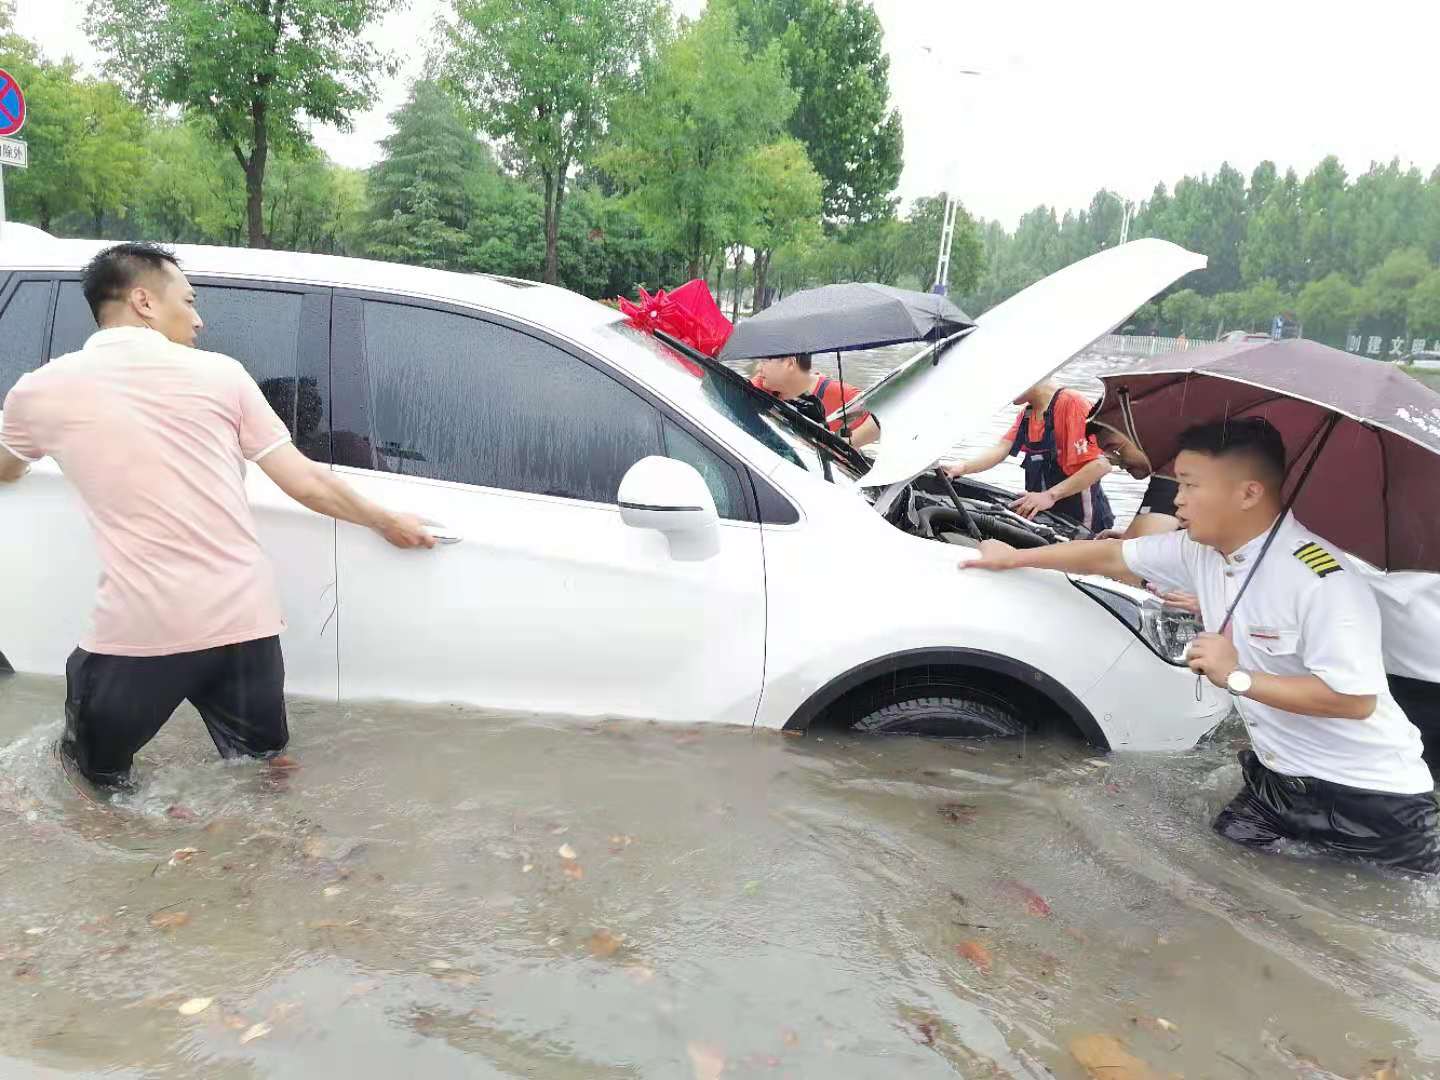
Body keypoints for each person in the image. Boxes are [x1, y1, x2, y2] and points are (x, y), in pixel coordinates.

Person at [0, 242, 435, 789]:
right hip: (242, 623)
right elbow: (306, 481)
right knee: (265, 774)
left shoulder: (39, 391)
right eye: (189, 299)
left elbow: (7, 468)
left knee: (90, 782)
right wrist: (387, 521)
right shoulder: (223, 376)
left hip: (140, 628)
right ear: (143, 301)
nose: (199, 318)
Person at [962, 417, 1439, 875]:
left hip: (1374, 804)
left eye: (1191, 486)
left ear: (1249, 492)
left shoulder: (1322, 580)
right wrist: (1014, 558)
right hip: (1277, 780)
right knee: (1221, 883)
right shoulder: (1202, 549)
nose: (1179, 502)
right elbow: (1111, 556)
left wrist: (1237, 676)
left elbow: (1354, 701)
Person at [946, 379, 1114, 534]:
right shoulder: (1028, 414)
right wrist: (962, 468)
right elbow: (1001, 448)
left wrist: (1049, 495)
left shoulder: (1072, 403)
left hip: (1083, 521)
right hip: (1049, 516)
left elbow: (1101, 465)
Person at [751, 353, 880, 447]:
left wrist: (836, 445)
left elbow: (882, 420)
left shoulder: (839, 394)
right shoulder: (759, 387)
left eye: (764, 361)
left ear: (790, 363)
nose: (758, 368)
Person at [1086, 420, 1181, 540]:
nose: (1116, 463)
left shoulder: (1174, 474)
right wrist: (1127, 537)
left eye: (1114, 449)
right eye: (1108, 454)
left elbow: (1144, 549)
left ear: (1141, 433)